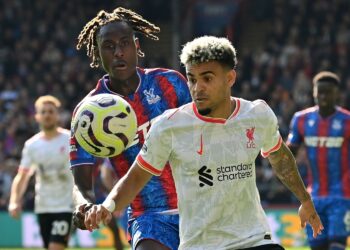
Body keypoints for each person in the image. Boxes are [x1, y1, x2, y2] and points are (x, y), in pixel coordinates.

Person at [82, 36, 324, 250]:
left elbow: (280, 158)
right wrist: (107, 205)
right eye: (192, 79)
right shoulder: (169, 126)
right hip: (200, 244)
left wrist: (305, 200)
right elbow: (136, 177)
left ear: (230, 78)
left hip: (254, 239)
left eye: (207, 78)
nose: (197, 88)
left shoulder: (257, 115)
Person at [70, 7, 191, 250]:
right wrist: (84, 206)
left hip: (198, 206)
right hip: (149, 217)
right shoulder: (87, 114)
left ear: (136, 45)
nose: (118, 52)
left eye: (124, 43)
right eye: (109, 46)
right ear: (98, 53)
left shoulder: (170, 83)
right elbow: (82, 186)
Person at [287, 71, 350, 250]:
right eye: (319, 92)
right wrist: (273, 149)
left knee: (336, 246)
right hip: (313, 197)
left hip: (342, 196)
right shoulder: (301, 119)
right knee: (317, 247)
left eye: (327, 92)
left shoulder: (347, 121)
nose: (322, 96)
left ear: (337, 93)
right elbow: (289, 151)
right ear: (313, 92)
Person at [8, 95, 74, 250]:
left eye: (51, 111)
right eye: (43, 112)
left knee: (55, 247)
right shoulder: (32, 145)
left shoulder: (70, 139)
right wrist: (14, 200)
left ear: (57, 115)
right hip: (43, 206)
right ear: (37, 116)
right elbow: (22, 176)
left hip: (66, 206)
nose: (47, 115)